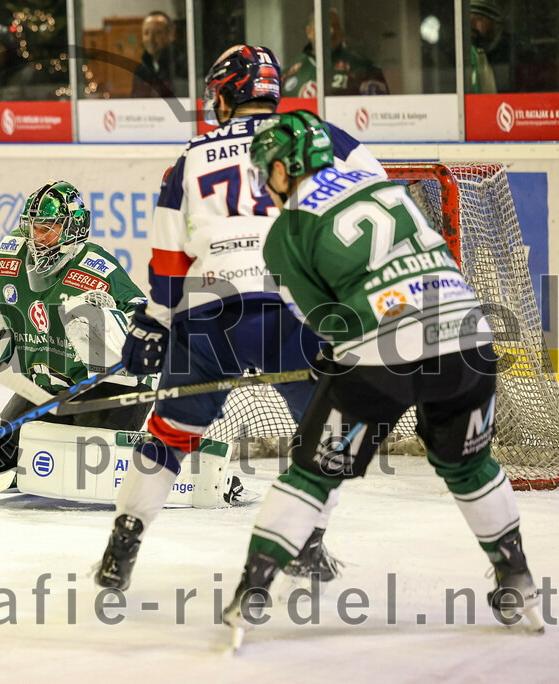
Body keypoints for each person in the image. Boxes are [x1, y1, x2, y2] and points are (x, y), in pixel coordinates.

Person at [221, 110, 542, 642]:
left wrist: (336, 353)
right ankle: (518, 577)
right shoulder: (386, 189)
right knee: (468, 465)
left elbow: (326, 321)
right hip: (468, 338)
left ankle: (251, 593)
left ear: (285, 170)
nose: (265, 181)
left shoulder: (286, 231)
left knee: (312, 472)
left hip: (382, 351)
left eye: (268, 169)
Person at [95, 45, 388, 592]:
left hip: (209, 311)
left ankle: (123, 543)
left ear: (226, 94)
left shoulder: (190, 157)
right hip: (294, 307)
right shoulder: (319, 137)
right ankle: (307, 541)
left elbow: (168, 262)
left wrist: (152, 325)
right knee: (327, 435)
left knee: (169, 434)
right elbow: (378, 199)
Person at [0, 180, 155, 500]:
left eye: (48, 229)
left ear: (73, 229)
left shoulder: (96, 267)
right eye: (33, 227)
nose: (37, 238)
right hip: (45, 389)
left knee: (85, 467)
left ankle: (155, 454)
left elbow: (143, 321)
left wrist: (109, 322)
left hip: (106, 390)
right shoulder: (9, 260)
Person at [281, 9, 388, 97]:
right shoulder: (288, 73)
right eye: (324, 25)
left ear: (341, 31)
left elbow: (378, 112)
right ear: (309, 32)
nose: (331, 31)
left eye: (335, 26)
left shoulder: (363, 67)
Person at [130, 11, 186, 98]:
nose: (150, 39)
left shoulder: (183, 65)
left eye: (157, 32)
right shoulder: (140, 70)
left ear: (170, 35)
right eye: (146, 33)